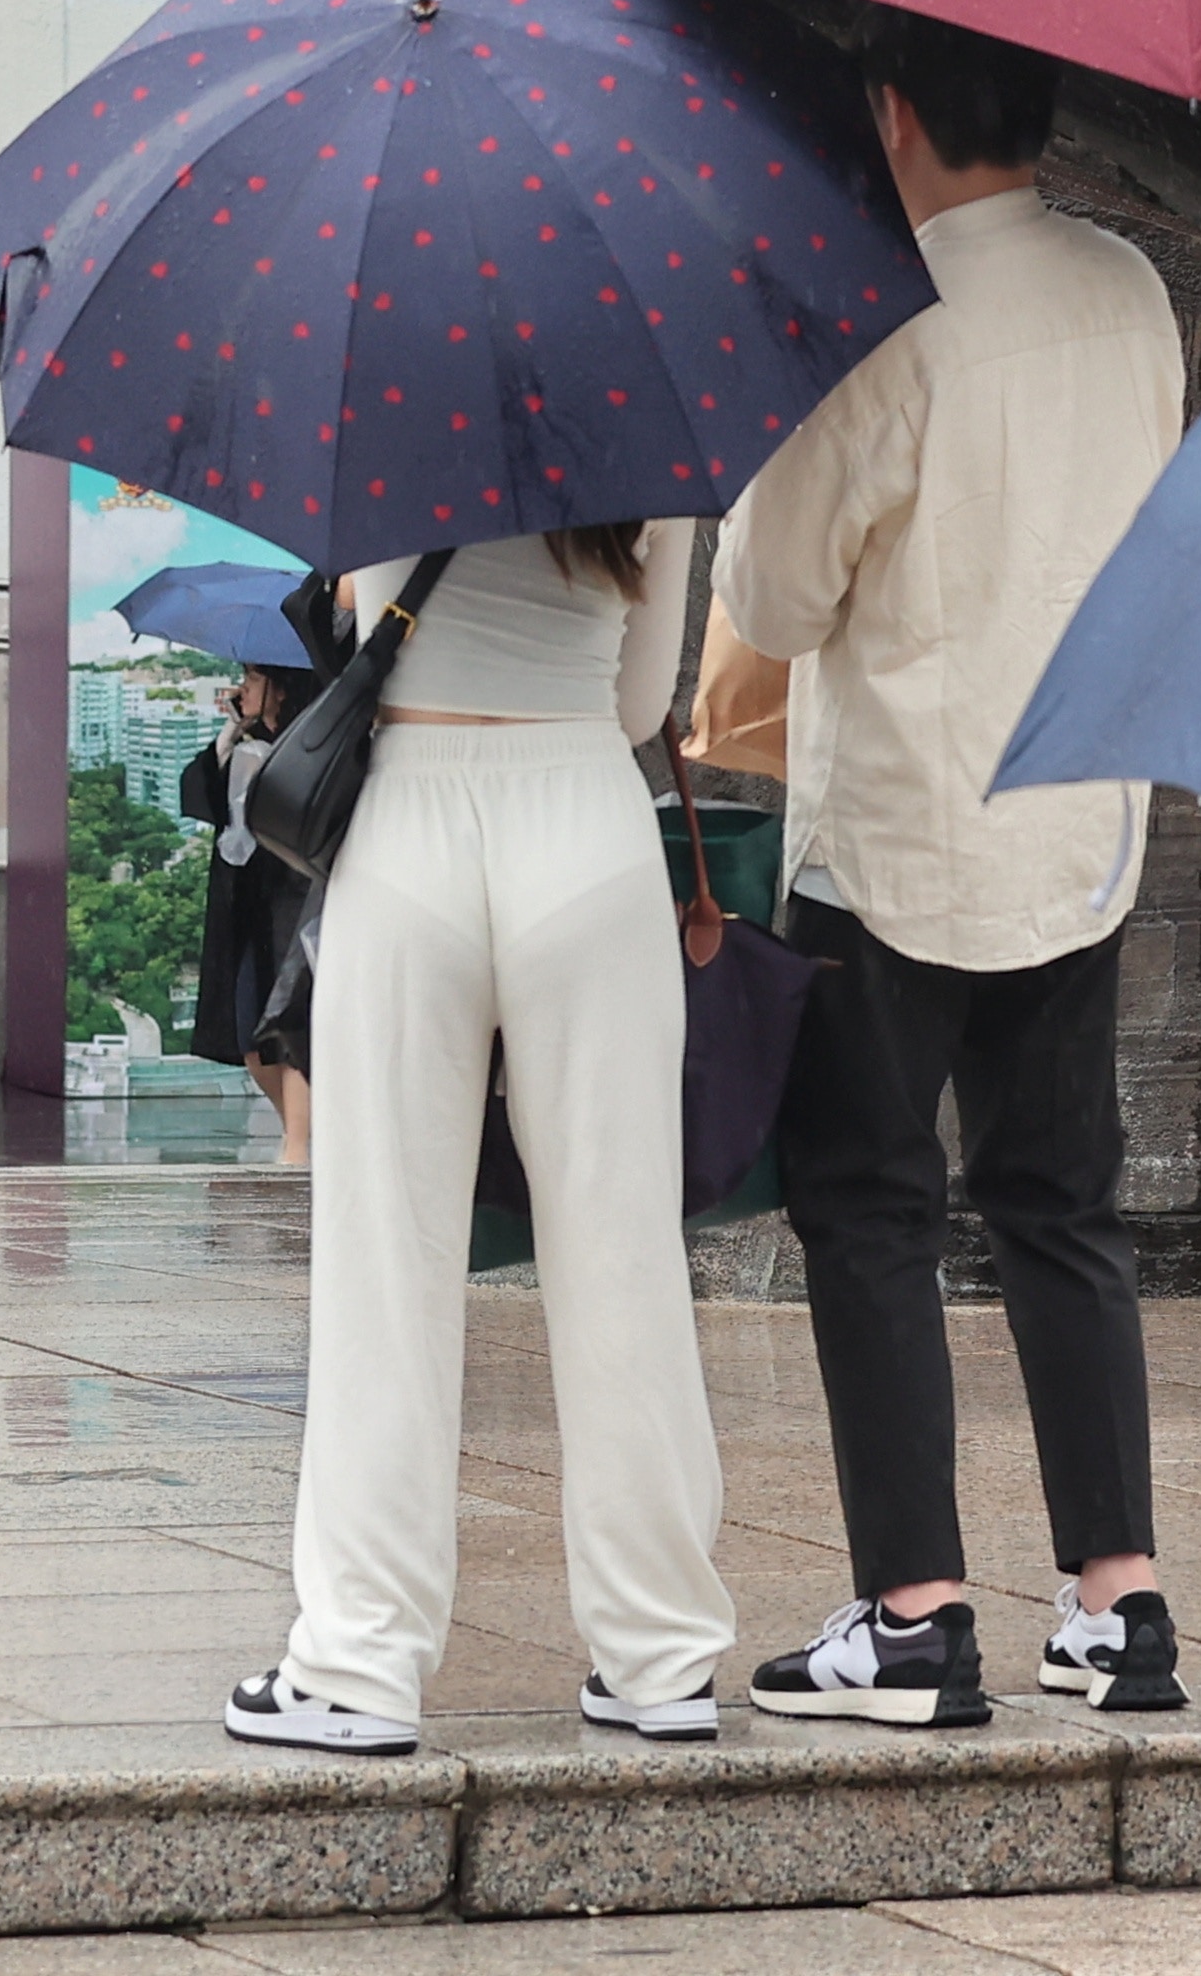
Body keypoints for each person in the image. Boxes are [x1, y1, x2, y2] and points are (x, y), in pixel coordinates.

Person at [713, 10, 1187, 1728]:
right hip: (1077, 822)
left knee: (871, 1210)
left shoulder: (876, 312)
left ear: (894, 113)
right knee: (1062, 1207)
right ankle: (1117, 1601)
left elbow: (774, 599)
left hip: (898, 834)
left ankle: (912, 1613)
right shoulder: (1130, 295)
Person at [222, 515, 728, 1758]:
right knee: (620, 1253)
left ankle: (358, 1662)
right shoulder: (648, 425)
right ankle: (659, 1655)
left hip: (410, 821)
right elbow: (634, 702)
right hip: (585, 822)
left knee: (383, 1258)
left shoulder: (389, 385)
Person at [181, 664, 315, 1166]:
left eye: (254, 679)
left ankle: (297, 1148)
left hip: (296, 900)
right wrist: (232, 731)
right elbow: (206, 799)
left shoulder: (312, 741)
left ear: (281, 688)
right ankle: (301, 1137)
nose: (243, 688)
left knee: (291, 1030)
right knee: (252, 1042)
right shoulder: (246, 745)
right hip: (248, 909)